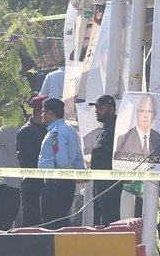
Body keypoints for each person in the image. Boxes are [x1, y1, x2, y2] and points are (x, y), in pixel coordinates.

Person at [38, 97, 83, 229]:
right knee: (62, 223)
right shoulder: (69, 129)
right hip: (65, 185)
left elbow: (62, 160)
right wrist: (77, 174)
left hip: (55, 185)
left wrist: (70, 175)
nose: (42, 115)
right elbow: (78, 157)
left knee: (51, 225)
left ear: (50, 113)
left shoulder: (55, 133)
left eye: (43, 112)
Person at [16, 96, 49, 227]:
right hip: (33, 187)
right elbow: (28, 162)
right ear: (41, 111)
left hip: (46, 187)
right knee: (32, 225)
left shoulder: (46, 129)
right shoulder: (27, 131)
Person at [89, 94, 121, 226]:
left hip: (109, 184)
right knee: (99, 222)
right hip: (100, 181)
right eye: (96, 108)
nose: (97, 111)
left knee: (109, 221)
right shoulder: (105, 128)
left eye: (100, 108)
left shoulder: (116, 128)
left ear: (111, 109)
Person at [114, 94, 160, 165]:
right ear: (136, 114)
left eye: (149, 111)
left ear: (154, 116)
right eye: (142, 111)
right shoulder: (123, 139)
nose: (145, 116)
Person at [0, 122, 21, 231]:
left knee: (2, 221)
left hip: (6, 184)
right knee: (8, 220)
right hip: (14, 183)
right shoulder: (19, 129)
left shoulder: (8, 130)